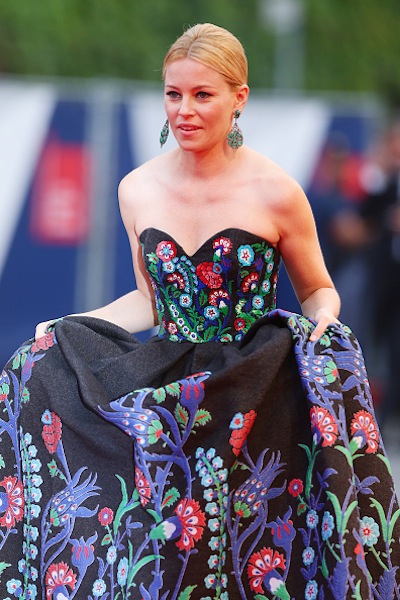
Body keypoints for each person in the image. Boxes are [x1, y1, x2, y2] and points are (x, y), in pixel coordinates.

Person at [1, 23, 399, 600]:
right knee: (167, 546)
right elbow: (148, 300)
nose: (185, 110)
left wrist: (322, 326)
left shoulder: (277, 191)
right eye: (174, 94)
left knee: (246, 552)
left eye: (202, 95)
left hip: (256, 389)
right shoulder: (136, 188)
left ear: (239, 98)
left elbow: (318, 290)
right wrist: (69, 329)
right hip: (170, 380)